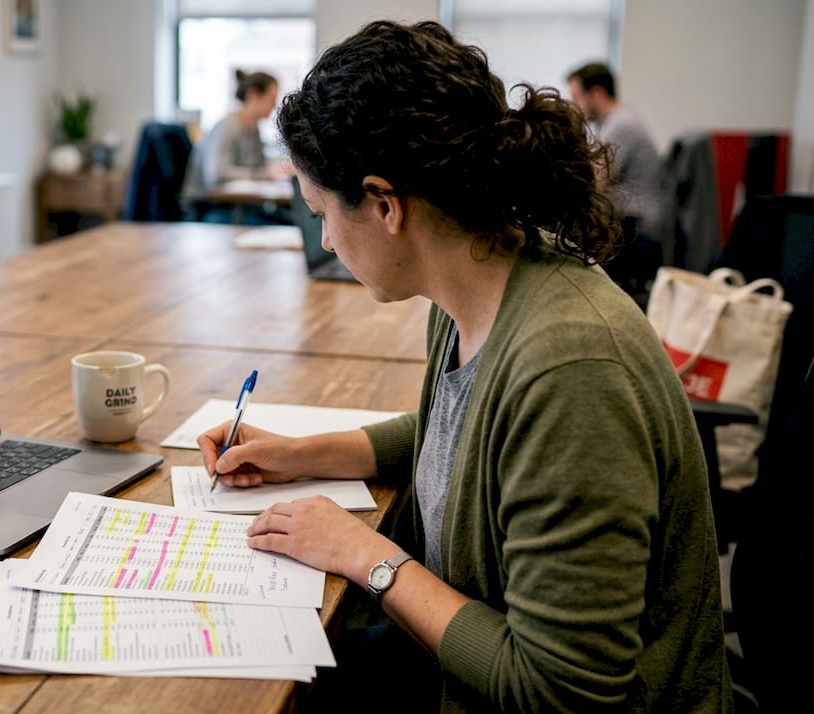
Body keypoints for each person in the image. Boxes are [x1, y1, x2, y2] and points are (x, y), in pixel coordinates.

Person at [198, 22, 730, 713]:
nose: (324, 239)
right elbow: (461, 430)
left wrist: (364, 554)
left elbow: (561, 690)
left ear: (385, 205)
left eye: (322, 212)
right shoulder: (478, 278)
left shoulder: (570, 372)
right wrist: (298, 454)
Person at [567, 62, 664, 244]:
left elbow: (595, 182)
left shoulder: (621, 124)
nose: (574, 105)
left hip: (638, 228)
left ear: (596, 93)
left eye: (576, 97)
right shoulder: (609, 123)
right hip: (626, 222)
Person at [184, 70, 291, 224]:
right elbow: (217, 174)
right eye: (272, 99)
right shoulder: (227, 127)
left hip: (240, 207)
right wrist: (265, 174)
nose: (274, 106)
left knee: (288, 220)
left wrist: (282, 168)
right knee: (279, 224)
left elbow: (259, 164)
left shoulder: (253, 129)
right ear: (253, 96)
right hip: (211, 209)